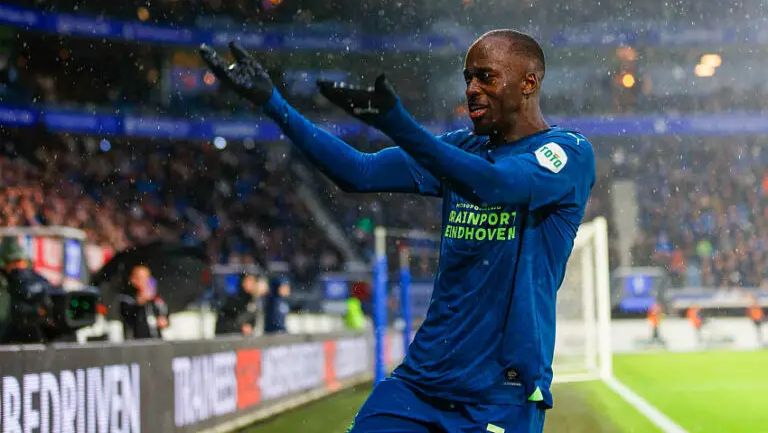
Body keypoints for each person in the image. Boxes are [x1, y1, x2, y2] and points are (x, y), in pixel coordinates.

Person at [200, 29, 595, 433]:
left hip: (500, 394)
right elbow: (359, 171)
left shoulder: (568, 152)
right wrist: (273, 103)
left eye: (486, 77)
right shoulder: (461, 149)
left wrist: (399, 124)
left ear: (528, 83)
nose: (472, 90)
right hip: (421, 383)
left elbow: (496, 184)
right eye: (467, 78)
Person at [119, 264, 169, 340]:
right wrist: (141, 301)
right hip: (136, 340)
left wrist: (164, 320)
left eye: (147, 278)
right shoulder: (127, 299)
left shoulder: (156, 299)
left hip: (156, 339)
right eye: (141, 278)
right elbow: (128, 315)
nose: (144, 281)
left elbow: (164, 314)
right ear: (133, 280)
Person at [215, 272, 268, 336]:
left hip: (246, 338)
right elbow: (222, 325)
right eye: (248, 282)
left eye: (253, 282)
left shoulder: (255, 301)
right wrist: (240, 328)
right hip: (229, 337)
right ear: (243, 283)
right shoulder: (234, 300)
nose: (251, 285)